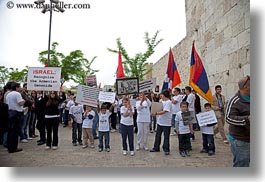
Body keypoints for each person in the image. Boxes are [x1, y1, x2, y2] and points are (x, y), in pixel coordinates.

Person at [226, 75, 250, 167]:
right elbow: (228, 118)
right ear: (246, 87)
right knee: (242, 165)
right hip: (241, 141)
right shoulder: (234, 101)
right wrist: (247, 119)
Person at [150, 90, 172, 155]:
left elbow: (165, 111)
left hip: (166, 122)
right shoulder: (160, 101)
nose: (160, 96)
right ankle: (156, 147)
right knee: (158, 135)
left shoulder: (169, 102)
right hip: (160, 121)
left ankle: (166, 149)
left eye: (161, 95)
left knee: (166, 136)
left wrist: (156, 113)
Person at [6, 82, 25, 153]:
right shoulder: (17, 94)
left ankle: (9, 146)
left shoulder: (8, 94)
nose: (20, 88)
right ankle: (14, 147)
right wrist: (24, 101)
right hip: (16, 113)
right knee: (15, 131)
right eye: (19, 87)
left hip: (9, 112)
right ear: (16, 87)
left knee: (10, 130)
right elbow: (20, 103)